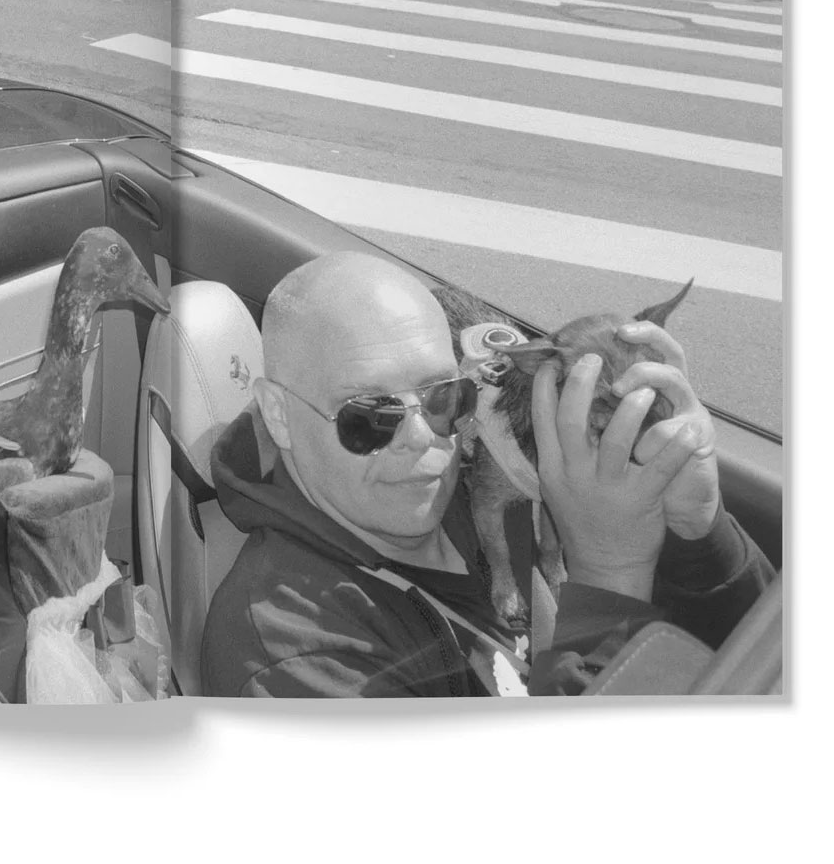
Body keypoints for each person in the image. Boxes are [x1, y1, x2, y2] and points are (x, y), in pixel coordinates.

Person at [200, 253, 773, 698]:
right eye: (371, 414)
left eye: (444, 396)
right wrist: (611, 572)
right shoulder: (295, 655)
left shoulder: (498, 468)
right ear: (279, 414)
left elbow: (762, 673)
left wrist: (697, 535)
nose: (423, 437)